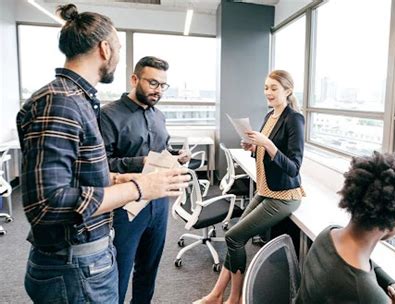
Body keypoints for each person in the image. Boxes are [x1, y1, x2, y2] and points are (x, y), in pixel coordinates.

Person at [16, 5, 189, 304]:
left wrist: (123, 176)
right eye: (120, 47)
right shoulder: (61, 102)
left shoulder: (79, 100)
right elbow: (46, 204)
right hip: (74, 262)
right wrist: (138, 186)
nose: (119, 57)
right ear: (105, 49)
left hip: (90, 251)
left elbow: (81, 174)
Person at [196, 70, 305, 304]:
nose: (268, 92)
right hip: (265, 190)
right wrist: (254, 148)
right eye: (266, 87)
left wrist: (266, 143)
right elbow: (266, 153)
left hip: (284, 195)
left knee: (234, 237)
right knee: (235, 238)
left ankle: (234, 298)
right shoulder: (269, 117)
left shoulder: (293, 118)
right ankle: (216, 295)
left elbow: (294, 167)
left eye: (274, 88)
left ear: (287, 91)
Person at [100, 56, 191, 304]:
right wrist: (141, 162)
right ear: (134, 79)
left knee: (148, 270)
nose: (158, 90)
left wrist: (175, 157)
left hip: (159, 203)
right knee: (119, 272)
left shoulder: (158, 116)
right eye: (153, 83)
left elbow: (162, 149)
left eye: (163, 85)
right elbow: (101, 165)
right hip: (125, 205)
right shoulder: (108, 115)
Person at [295, 151, 395, 304]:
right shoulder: (364, 292)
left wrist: (391, 283)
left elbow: (369, 266)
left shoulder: (329, 233)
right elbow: (363, 286)